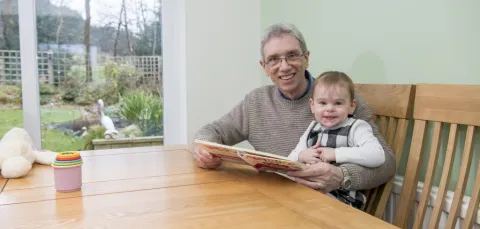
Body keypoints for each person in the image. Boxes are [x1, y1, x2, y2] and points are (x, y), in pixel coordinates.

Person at [192, 22, 395, 198]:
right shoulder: (255, 101)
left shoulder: (342, 102)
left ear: (306, 58)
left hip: (324, 203)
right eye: (274, 59)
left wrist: (342, 176)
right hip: (271, 197)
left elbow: (387, 163)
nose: (284, 66)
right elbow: (213, 131)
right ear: (264, 67)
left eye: (292, 55)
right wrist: (202, 150)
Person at [287, 71, 385, 209]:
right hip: (309, 192)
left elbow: (377, 155)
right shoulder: (312, 127)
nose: (330, 109)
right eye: (322, 103)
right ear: (312, 105)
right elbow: (290, 158)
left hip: (342, 199)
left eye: (338, 103)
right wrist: (301, 155)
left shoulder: (356, 127)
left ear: (352, 106)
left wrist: (336, 154)